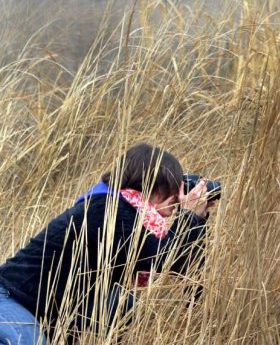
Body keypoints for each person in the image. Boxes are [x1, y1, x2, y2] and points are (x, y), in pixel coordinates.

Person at [0, 143, 216, 344]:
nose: (177, 196)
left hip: (48, 312)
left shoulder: (132, 216)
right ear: (149, 183)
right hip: (14, 299)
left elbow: (182, 265)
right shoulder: (107, 209)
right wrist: (189, 216)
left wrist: (198, 219)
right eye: (171, 187)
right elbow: (160, 257)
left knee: (122, 305)